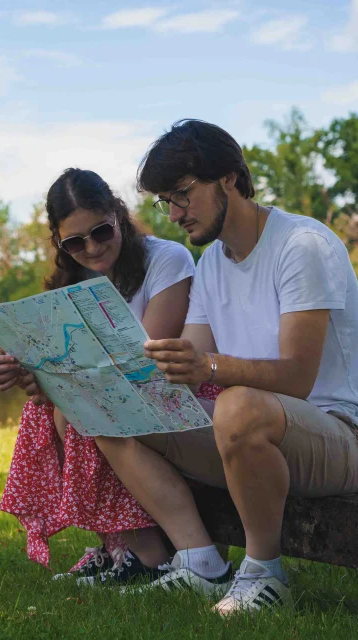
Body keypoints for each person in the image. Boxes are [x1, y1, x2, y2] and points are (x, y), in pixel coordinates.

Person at [92, 119, 358, 615]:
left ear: (230, 178)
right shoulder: (212, 262)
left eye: (182, 195)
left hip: (340, 433)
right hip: (255, 433)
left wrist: (208, 366)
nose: (173, 214)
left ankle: (263, 572)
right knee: (111, 413)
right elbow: (187, 361)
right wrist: (85, 367)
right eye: (164, 201)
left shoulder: (301, 244)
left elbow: (297, 378)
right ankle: (200, 564)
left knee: (236, 406)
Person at [0, 168, 220, 584]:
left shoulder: (166, 259)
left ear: (119, 215)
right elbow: (57, 381)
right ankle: (118, 545)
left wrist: (65, 378)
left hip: (175, 385)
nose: (91, 248)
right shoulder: (74, 279)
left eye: (101, 232)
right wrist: (26, 373)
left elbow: (151, 360)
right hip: (111, 393)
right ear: (59, 242)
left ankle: (147, 552)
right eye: (74, 242)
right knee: (53, 411)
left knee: (86, 406)